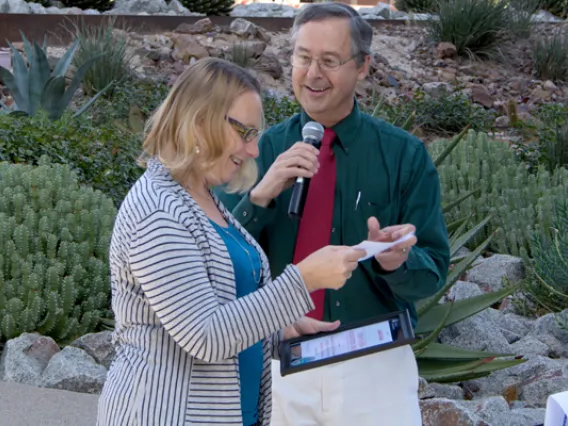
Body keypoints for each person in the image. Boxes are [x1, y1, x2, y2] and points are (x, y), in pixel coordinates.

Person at [215, 3, 451, 426]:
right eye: (303, 58)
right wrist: (261, 196)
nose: (312, 74)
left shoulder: (404, 156)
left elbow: (432, 272)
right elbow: (216, 265)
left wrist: (396, 261)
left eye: (329, 61)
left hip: (374, 366)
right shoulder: (257, 149)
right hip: (279, 362)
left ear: (362, 67)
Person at [96, 57, 365, 426]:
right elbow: (205, 336)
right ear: (199, 121)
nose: (254, 150)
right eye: (245, 132)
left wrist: (281, 325)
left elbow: (225, 301)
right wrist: (303, 281)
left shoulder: (201, 197)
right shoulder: (156, 211)